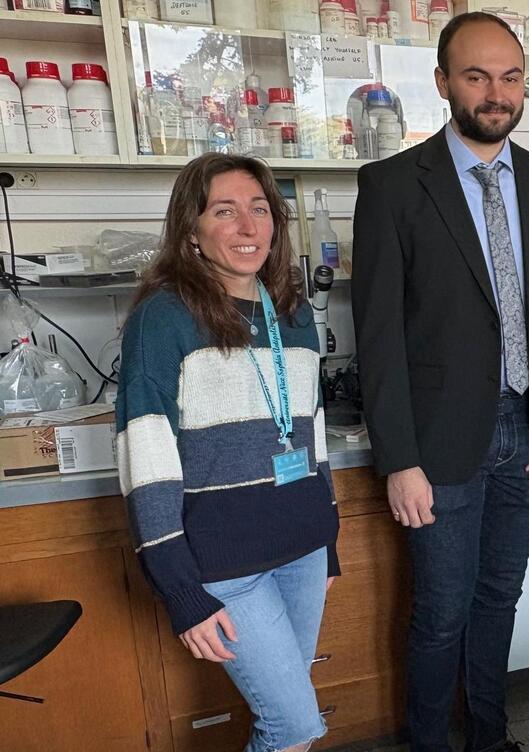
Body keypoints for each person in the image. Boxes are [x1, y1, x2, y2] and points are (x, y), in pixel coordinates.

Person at [350, 12, 529, 752]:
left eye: (511, 76)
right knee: (441, 613)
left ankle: (489, 738)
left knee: (500, 600)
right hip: (438, 444)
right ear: (442, 83)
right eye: (477, 75)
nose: (497, 92)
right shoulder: (393, 185)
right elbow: (379, 335)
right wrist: (399, 458)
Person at [116, 153, 341, 752]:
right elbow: (148, 460)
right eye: (226, 211)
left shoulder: (290, 313)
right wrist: (183, 593)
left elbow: (310, 431)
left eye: (260, 210)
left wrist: (328, 540)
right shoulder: (163, 319)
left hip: (302, 550)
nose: (248, 227)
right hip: (225, 565)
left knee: (287, 720)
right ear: (191, 229)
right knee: (293, 725)